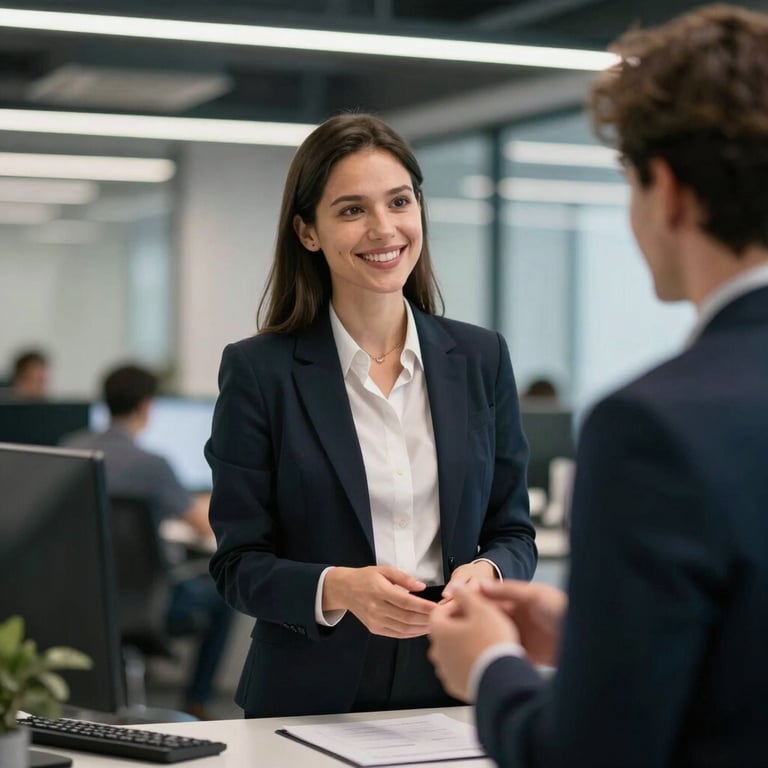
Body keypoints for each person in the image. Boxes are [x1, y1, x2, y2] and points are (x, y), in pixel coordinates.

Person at [427, 5, 768, 767]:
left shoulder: (654, 427)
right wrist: (601, 629)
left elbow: (590, 755)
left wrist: (490, 667)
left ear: (669, 193)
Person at [205, 112, 537, 718]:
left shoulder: (481, 357)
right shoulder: (261, 372)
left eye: (399, 202)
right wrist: (337, 587)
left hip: (453, 676)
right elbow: (236, 564)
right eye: (352, 209)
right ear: (308, 232)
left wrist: (487, 570)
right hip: (308, 690)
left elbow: (513, 530)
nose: (384, 229)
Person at [63, 364, 233, 720]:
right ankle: (197, 700)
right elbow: (204, 528)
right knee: (226, 594)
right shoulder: (152, 465)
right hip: (150, 606)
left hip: (82, 602)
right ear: (146, 407)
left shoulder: (71, 450)